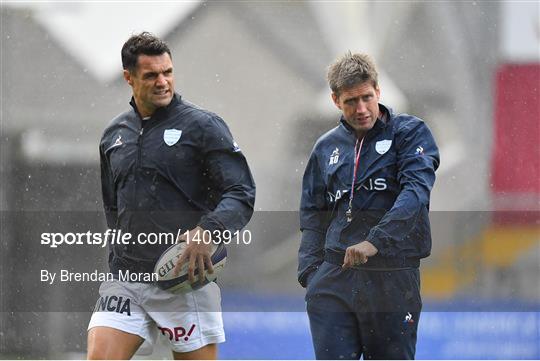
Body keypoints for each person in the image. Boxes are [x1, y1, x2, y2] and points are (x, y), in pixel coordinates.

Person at [87, 32, 256, 360]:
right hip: (127, 279)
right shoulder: (113, 135)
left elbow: (241, 192)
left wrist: (208, 231)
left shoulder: (203, 126)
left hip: (184, 279)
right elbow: (113, 206)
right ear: (129, 78)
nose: (163, 81)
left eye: (168, 72)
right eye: (151, 75)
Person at [298, 52, 439, 359]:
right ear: (336, 100)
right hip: (334, 280)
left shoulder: (410, 133)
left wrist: (375, 241)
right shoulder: (325, 147)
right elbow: (312, 212)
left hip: (392, 277)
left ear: (378, 91)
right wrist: (310, 273)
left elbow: (415, 194)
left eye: (366, 98)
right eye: (351, 101)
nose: (361, 109)